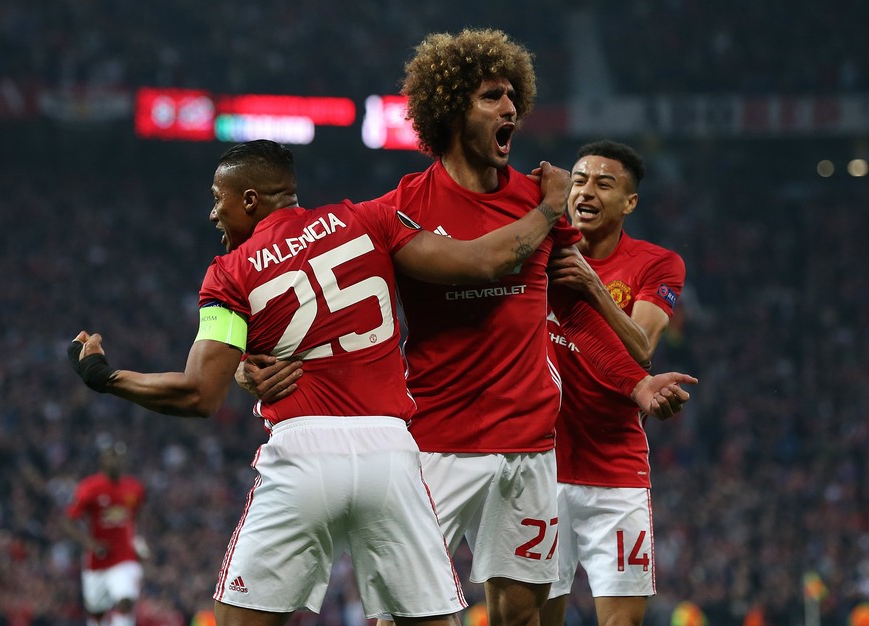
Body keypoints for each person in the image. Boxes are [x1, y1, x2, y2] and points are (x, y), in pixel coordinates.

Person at [239, 29, 697, 626]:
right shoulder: (400, 209)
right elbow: (335, 306)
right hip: (434, 442)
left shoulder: (536, 196)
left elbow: (577, 316)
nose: (510, 109)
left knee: (523, 613)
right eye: (491, 97)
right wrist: (260, 364)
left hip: (531, 446)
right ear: (452, 108)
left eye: (512, 96)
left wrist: (633, 384)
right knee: (403, 616)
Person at [67, 139, 576, 626]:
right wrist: (549, 207)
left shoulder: (228, 274)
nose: (213, 214)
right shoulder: (367, 218)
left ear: (250, 200)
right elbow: (484, 261)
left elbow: (198, 394)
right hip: (392, 452)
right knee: (431, 620)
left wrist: (108, 377)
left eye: (217, 201)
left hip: (303, 453)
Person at [541, 140, 686, 626]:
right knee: (536, 618)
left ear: (630, 202)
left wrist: (589, 284)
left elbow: (640, 347)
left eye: (604, 184)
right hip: (540, 467)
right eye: (579, 180)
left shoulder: (657, 264)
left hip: (616, 472)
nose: (586, 191)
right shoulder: (538, 254)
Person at [63, 440, 146, 626]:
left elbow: (136, 518)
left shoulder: (135, 488)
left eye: (118, 457)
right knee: (96, 612)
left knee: (125, 600)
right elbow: (68, 522)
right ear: (103, 460)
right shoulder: (89, 488)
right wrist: (90, 544)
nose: (115, 461)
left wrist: (138, 542)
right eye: (111, 457)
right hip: (98, 559)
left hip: (125, 556)